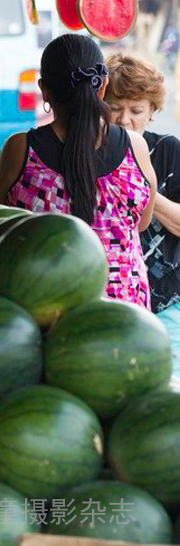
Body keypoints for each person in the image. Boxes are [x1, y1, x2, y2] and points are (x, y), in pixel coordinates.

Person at [0, 34, 157, 309]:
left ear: (44, 89)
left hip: (45, 311)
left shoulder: (21, 151)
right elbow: (141, 224)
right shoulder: (134, 148)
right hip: (127, 317)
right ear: (102, 86)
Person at [106, 53, 180, 372]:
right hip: (108, 305)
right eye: (114, 108)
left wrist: (142, 185)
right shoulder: (86, 156)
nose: (125, 120)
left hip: (167, 303)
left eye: (136, 110)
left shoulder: (167, 150)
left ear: (152, 112)